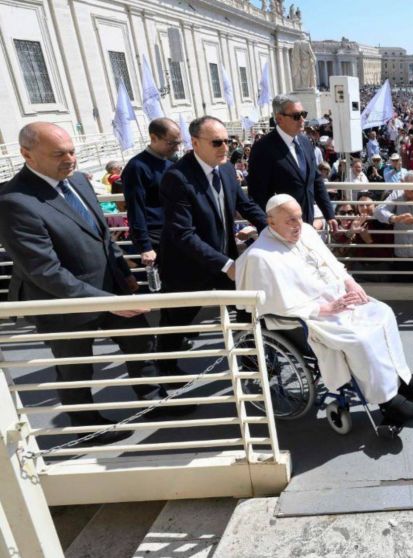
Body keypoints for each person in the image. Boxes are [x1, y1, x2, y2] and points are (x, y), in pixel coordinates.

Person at [0, 123, 190, 444]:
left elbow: (103, 236)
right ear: (26, 155)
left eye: (72, 150)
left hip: (110, 287)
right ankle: (86, 427)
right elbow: (44, 270)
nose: (71, 159)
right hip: (62, 302)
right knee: (76, 368)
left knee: (140, 342)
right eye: (59, 154)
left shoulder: (77, 181)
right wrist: (107, 301)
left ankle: (153, 400)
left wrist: (124, 273)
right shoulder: (13, 200)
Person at [236, 195, 413, 428]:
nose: (298, 224)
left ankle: (404, 379)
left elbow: (333, 264)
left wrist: (349, 282)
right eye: (290, 220)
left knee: (383, 313)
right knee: (361, 339)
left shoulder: (308, 232)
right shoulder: (260, 256)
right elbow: (274, 305)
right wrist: (324, 308)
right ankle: (387, 400)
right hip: (309, 318)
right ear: (271, 223)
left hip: (338, 299)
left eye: (300, 217)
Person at [158, 116, 268, 372]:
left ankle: (251, 364)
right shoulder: (176, 178)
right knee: (175, 324)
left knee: (246, 311)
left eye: (227, 141)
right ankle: (166, 372)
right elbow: (183, 234)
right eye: (217, 142)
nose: (225, 147)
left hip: (223, 261)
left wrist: (271, 227)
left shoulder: (227, 168)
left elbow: (245, 204)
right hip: (187, 267)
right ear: (195, 143)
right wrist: (226, 264)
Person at [247, 95, 334, 223]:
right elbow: (258, 194)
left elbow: (316, 180)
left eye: (303, 114)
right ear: (279, 119)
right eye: (296, 116)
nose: (303, 119)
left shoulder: (305, 142)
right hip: (281, 228)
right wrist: (268, 227)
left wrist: (329, 215)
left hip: (307, 224)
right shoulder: (263, 148)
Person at [123, 118, 183, 267]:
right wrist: (145, 246)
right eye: (172, 143)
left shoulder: (171, 163)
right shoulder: (136, 167)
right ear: (154, 138)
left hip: (175, 231)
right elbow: (135, 208)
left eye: (178, 143)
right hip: (154, 236)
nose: (176, 148)